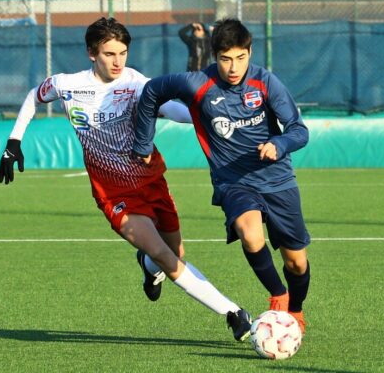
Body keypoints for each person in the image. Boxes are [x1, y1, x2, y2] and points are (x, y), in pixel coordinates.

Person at [0, 17, 252, 341]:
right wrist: (14, 141)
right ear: (92, 53)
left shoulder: (134, 83)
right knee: (164, 254)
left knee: (175, 255)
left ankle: (147, 267)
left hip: (151, 181)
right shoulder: (67, 85)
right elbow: (35, 95)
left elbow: (170, 109)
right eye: (109, 54)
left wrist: (213, 116)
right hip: (114, 193)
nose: (117, 61)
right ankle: (232, 312)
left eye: (123, 53)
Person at [133, 18, 311, 334]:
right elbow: (151, 92)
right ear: (215, 55)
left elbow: (299, 130)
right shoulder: (196, 83)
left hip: (278, 179)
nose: (233, 67)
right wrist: (143, 144)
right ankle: (279, 295)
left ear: (250, 52)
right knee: (250, 232)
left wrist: (279, 143)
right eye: (226, 59)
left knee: (296, 262)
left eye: (241, 58)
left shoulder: (266, 82)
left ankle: (295, 311)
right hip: (233, 181)